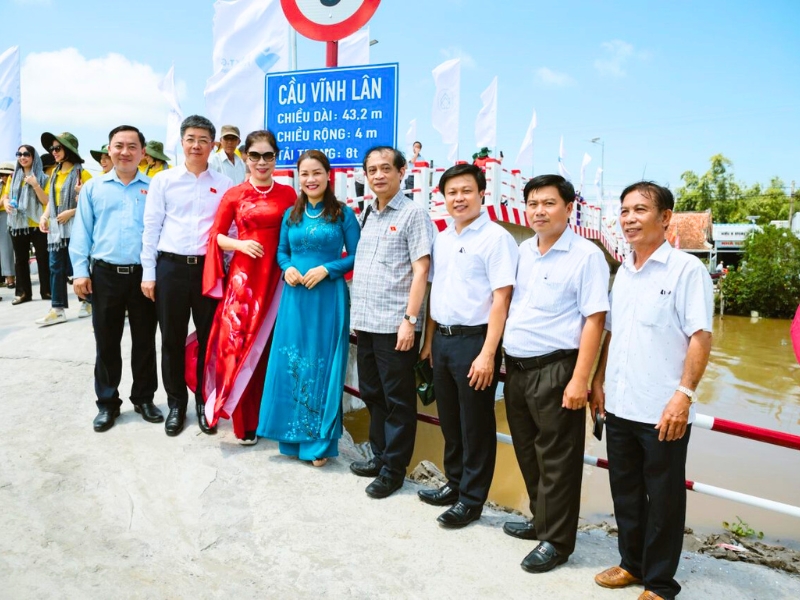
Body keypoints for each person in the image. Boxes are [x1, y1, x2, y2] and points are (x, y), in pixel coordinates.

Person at [591, 181, 713, 600]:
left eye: (640, 210)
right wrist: (598, 382)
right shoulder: (623, 271)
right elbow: (612, 334)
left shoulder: (686, 271)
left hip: (663, 409)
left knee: (663, 497)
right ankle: (632, 564)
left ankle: (660, 582)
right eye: (624, 210)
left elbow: (700, 337)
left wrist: (684, 396)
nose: (629, 218)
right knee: (624, 490)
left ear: (665, 218)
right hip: (621, 404)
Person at [501, 174, 610, 573]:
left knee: (558, 459)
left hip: (557, 368)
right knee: (528, 452)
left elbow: (595, 319)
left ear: (569, 208)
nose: (539, 210)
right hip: (517, 368)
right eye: (532, 203)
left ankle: (557, 542)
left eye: (548, 203)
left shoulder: (586, 255)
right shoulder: (523, 250)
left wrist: (581, 379)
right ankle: (539, 521)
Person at [418, 164, 517, 527]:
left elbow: (501, 298)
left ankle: (472, 500)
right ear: (443, 198)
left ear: (481, 194)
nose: (459, 199)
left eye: (466, 191)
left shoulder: (496, 238)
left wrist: (489, 353)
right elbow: (435, 291)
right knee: (450, 420)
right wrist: (428, 341)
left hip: (475, 340)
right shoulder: (442, 238)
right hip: (442, 340)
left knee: (475, 423)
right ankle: (454, 482)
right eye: (452, 193)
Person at [257, 150, 360, 461]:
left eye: (316, 173)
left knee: (323, 362)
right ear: (297, 177)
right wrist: (287, 267)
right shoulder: (292, 215)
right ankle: (291, 439)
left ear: (328, 175)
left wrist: (329, 269)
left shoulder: (344, 214)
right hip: (295, 298)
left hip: (327, 297)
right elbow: (281, 251)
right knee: (292, 362)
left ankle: (319, 445)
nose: (310, 179)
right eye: (304, 174)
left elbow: (358, 255)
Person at [348, 146, 435, 499]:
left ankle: (393, 470)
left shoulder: (414, 214)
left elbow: (422, 270)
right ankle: (380, 456)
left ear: (402, 172)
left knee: (398, 400)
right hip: (367, 321)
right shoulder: (369, 212)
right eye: (372, 170)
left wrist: (409, 321)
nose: (379, 175)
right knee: (372, 393)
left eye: (386, 168)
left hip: (394, 325)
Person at [141, 115, 234, 437]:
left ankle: (203, 401)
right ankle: (176, 403)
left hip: (209, 270)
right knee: (171, 339)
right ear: (182, 142)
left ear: (213, 145)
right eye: (191, 139)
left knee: (210, 340)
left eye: (203, 140)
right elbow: (151, 228)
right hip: (171, 269)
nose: (196, 145)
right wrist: (149, 274)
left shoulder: (224, 185)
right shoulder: (163, 181)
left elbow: (232, 230)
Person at [200, 130, 295, 444]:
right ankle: (244, 423)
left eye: (268, 155)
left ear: (276, 158)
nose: (262, 162)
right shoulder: (235, 194)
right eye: (255, 155)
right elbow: (216, 236)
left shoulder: (288, 195)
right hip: (244, 284)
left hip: (278, 281)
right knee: (238, 348)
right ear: (245, 158)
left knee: (271, 349)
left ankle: (271, 418)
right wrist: (240, 245)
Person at [69, 125, 162, 432]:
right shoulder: (94, 188)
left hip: (142, 276)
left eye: (132, 146)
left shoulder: (153, 187)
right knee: (107, 342)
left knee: (145, 341)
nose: (125, 152)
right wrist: (80, 271)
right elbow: (82, 231)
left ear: (142, 153)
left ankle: (144, 398)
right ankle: (108, 403)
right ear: (109, 150)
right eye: (118, 145)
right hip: (105, 274)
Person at [36, 132, 92, 326]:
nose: (54, 152)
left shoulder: (81, 174)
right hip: (56, 231)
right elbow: (52, 201)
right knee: (55, 268)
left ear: (68, 150)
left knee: (80, 266)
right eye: (52, 149)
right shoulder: (54, 174)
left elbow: (92, 203)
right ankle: (57, 308)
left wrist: (71, 212)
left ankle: (88, 301)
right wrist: (44, 216)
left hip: (76, 228)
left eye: (57, 148)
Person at [1, 148, 50, 305]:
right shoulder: (13, 176)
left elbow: (46, 201)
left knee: (43, 258)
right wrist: (7, 203)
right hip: (17, 223)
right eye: (19, 154)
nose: (22, 157)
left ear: (33, 157)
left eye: (26, 154)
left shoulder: (44, 177)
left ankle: (47, 290)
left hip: (37, 223)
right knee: (20, 259)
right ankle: (23, 293)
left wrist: (35, 185)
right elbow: (6, 195)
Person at [0, 163, 15, 291]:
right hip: (2, 214)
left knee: (8, 247)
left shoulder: (15, 184)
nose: (4, 177)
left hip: (11, 214)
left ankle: (11, 277)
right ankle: (7, 277)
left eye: (6, 174)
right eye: (1, 174)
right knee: (4, 248)